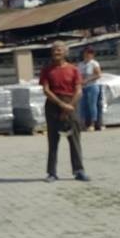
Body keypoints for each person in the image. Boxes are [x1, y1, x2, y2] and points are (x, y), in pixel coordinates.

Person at [39, 41, 89, 182]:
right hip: (53, 104)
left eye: (59, 49)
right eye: (54, 49)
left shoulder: (73, 70)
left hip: (71, 103)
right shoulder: (47, 70)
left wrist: (69, 106)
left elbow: (79, 90)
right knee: (53, 140)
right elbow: (46, 90)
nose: (56, 52)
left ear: (66, 52)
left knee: (74, 140)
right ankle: (52, 172)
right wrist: (61, 104)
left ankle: (79, 170)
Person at [78, 45, 103, 131]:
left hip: (92, 86)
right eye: (87, 52)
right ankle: (83, 123)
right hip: (83, 87)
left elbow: (98, 74)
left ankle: (93, 123)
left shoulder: (94, 63)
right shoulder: (81, 64)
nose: (88, 54)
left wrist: (88, 80)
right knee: (83, 105)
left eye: (90, 53)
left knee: (92, 105)